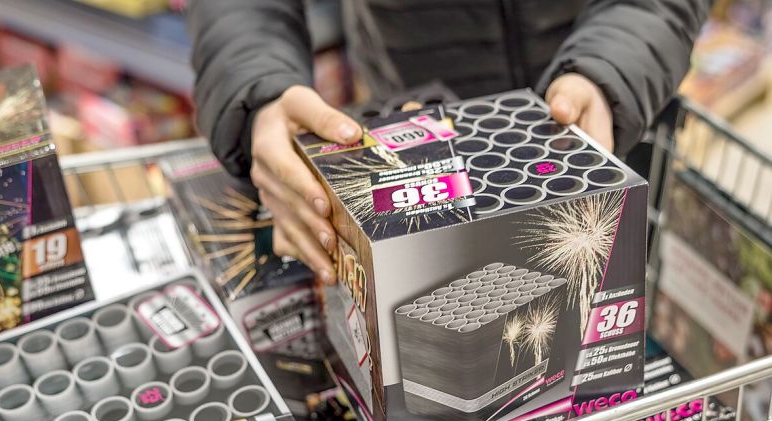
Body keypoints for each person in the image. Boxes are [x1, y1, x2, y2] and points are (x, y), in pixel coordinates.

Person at [187, 0, 709, 284]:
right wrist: (255, 86)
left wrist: (611, 69)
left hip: (607, 116)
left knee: (607, 309)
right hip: (414, 135)